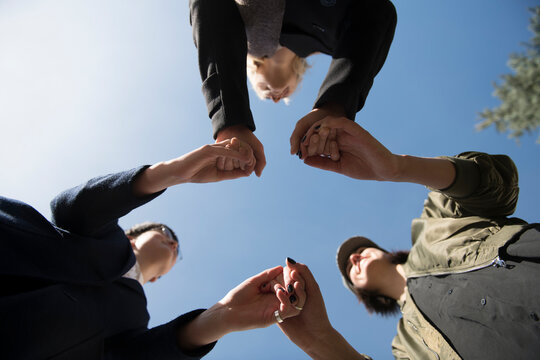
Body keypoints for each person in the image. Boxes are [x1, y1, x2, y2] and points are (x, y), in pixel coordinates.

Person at [0, 138, 305, 359]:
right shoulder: (105, 235)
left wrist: (222, 317)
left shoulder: (137, 319)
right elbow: (71, 208)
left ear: (158, 279)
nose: (173, 242)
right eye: (164, 232)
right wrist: (170, 174)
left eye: (177, 249)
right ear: (132, 236)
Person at [277, 117, 540, 359]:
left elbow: (499, 184)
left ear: (384, 251)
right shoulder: (407, 346)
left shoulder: (434, 224)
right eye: (349, 268)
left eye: (363, 249)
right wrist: (319, 340)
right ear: (362, 294)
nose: (355, 257)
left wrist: (397, 167)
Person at [189, 0, 397, 176]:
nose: (276, 98)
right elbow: (377, 11)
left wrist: (231, 120)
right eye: (274, 98)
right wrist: (334, 107)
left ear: (252, 71)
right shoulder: (334, 41)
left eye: (264, 92)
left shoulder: (247, 33)